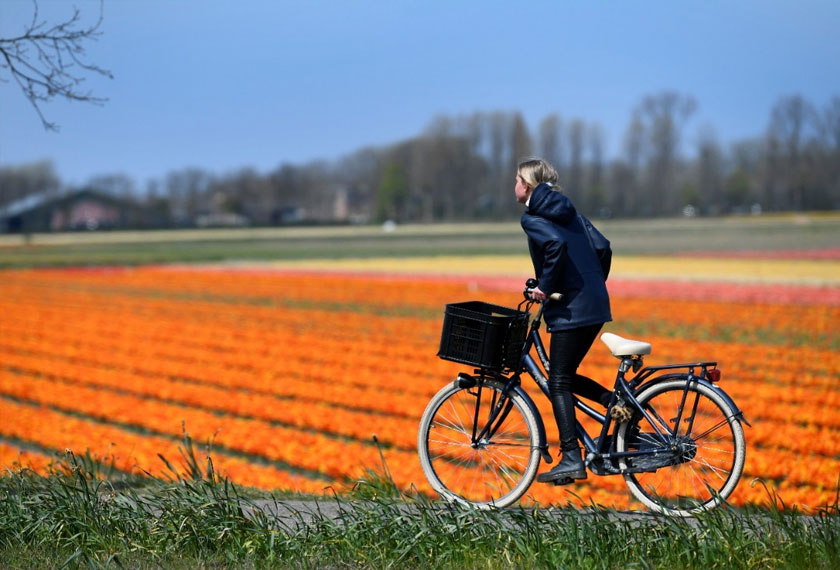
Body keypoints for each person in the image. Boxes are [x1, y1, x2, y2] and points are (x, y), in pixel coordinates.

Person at [515, 157, 621, 485]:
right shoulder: (570, 211)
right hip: (595, 304)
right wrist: (588, 285)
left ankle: (571, 457)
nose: (513, 186)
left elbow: (555, 245)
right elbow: (603, 248)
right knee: (564, 374)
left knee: (557, 380)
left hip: (572, 309)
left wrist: (546, 289)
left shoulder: (532, 217)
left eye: (516, 180)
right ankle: (613, 403)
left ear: (528, 185)